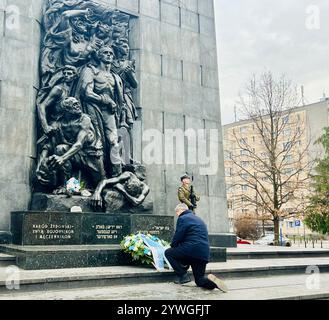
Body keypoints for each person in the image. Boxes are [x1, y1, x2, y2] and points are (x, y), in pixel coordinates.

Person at [165, 203, 228, 292]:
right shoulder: (198, 219)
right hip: (203, 254)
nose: (177, 214)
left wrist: (172, 246)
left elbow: (178, 235)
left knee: (168, 253)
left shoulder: (182, 218)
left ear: (181, 210)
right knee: (199, 280)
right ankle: (213, 284)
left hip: (190, 250)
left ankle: (183, 276)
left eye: (177, 212)